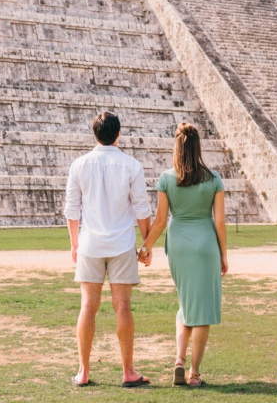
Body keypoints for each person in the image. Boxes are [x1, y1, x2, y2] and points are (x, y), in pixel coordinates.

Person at [63, 111, 153, 388]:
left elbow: (72, 209)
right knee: (123, 306)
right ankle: (128, 371)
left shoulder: (79, 165)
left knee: (88, 305)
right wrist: (146, 243)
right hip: (122, 244)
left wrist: (74, 243)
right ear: (118, 134)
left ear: (94, 134)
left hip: (90, 243)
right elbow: (141, 208)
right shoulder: (131, 165)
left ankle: (83, 371)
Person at [139, 122, 228, 387]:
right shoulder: (214, 179)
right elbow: (220, 223)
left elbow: (160, 221)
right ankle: (194, 373)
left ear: (176, 147)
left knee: (186, 304)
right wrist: (224, 255)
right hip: (205, 246)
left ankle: (179, 358)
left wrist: (144, 249)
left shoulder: (166, 179)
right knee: (202, 311)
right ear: (198, 147)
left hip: (178, 244)